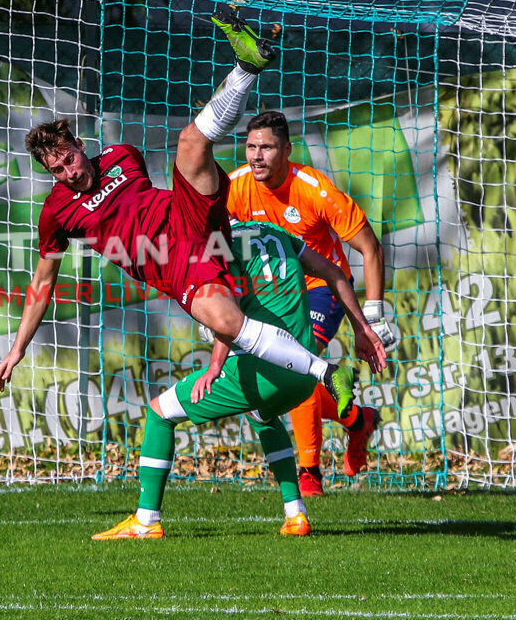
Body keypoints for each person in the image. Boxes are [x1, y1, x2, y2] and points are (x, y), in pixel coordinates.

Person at [0, 7, 383, 419]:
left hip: (186, 217)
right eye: (58, 170)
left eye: (70, 158)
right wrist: (18, 348)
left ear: (79, 145)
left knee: (191, 143)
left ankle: (247, 66)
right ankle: (328, 374)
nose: (70, 172)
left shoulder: (121, 156)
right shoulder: (56, 212)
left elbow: (146, 197)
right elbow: (42, 284)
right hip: (172, 263)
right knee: (226, 323)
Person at [91, 220, 388, 539]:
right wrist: (362, 328)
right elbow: (334, 272)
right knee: (262, 415)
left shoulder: (220, 245)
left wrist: (214, 366)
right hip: (306, 371)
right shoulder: (276, 232)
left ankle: (146, 520)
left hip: (266, 372)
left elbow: (227, 318)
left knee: (159, 412)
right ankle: (296, 514)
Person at [226, 110, 397, 495]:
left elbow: (370, 247)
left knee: (296, 363)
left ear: (287, 150)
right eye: (251, 147)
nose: (256, 156)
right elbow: (212, 243)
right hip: (271, 293)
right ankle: (357, 421)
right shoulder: (234, 187)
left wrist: (373, 316)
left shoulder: (314, 188)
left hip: (323, 286)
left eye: (267, 147)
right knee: (279, 376)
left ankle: (309, 473)